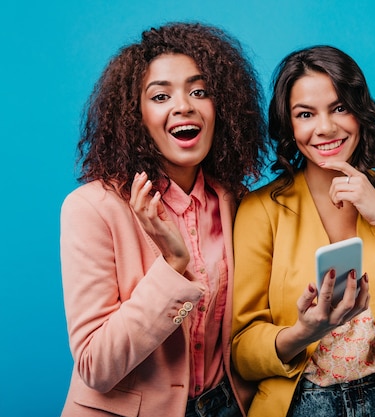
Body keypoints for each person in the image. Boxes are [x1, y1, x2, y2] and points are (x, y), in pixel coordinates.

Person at [231, 45, 375, 417]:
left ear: (360, 111)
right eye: (305, 114)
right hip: (300, 404)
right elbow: (242, 353)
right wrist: (303, 332)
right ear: (289, 125)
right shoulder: (260, 211)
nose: (326, 128)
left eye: (339, 107)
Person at [60, 22, 266, 417]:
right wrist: (173, 268)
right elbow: (95, 366)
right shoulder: (91, 209)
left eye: (199, 91)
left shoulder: (235, 201)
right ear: (135, 115)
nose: (184, 105)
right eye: (160, 96)